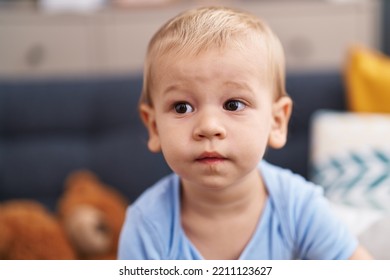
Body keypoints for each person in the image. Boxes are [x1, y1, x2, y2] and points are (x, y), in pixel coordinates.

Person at [118, 6, 372, 260]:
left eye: (233, 105)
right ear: (154, 127)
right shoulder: (147, 226)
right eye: (182, 107)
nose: (209, 127)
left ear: (276, 121)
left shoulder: (298, 207)